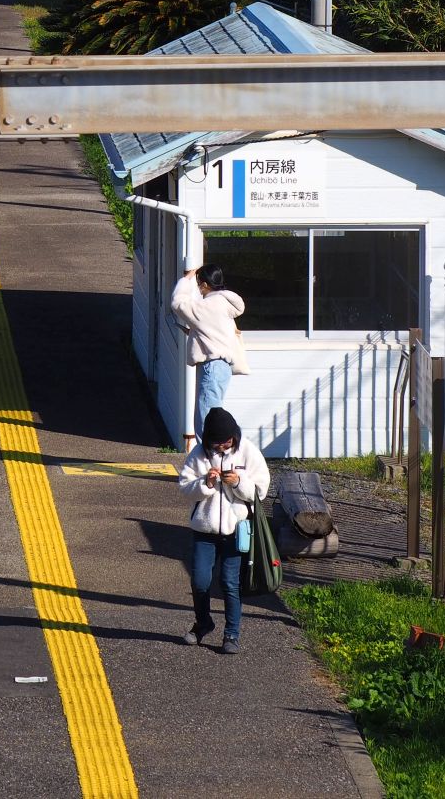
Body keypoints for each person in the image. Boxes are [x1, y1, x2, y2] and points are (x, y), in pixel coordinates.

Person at [176, 406, 269, 654]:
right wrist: (205, 483)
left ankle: (232, 634)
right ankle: (203, 623)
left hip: (237, 530)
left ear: (234, 437)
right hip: (203, 530)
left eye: (227, 443)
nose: (222, 448)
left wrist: (238, 483)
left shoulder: (248, 451)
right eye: (217, 444)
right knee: (200, 580)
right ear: (208, 441)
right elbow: (185, 487)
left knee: (230, 583)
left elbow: (260, 491)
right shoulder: (198, 454)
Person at [170, 262, 249, 448]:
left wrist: (186, 278)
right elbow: (215, 332)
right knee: (216, 414)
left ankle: (209, 459)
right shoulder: (224, 303)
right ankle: (219, 453)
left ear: (204, 284)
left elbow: (178, 303)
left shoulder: (207, 306)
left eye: (198, 283)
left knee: (207, 417)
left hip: (212, 367)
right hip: (223, 367)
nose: (198, 288)